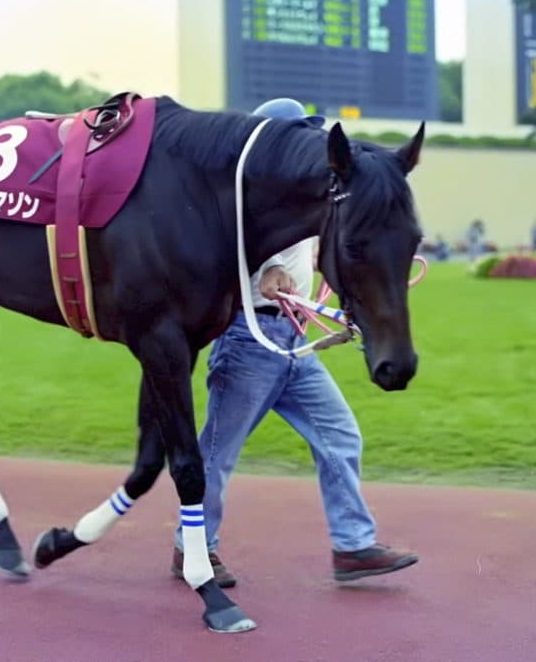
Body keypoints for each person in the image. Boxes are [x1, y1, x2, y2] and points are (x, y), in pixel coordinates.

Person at [170, 98, 418, 587]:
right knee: (218, 452)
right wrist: (266, 271)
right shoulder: (241, 206)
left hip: (294, 344)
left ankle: (353, 547)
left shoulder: (306, 200)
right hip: (250, 342)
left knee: (340, 436)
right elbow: (232, 254)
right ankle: (192, 547)